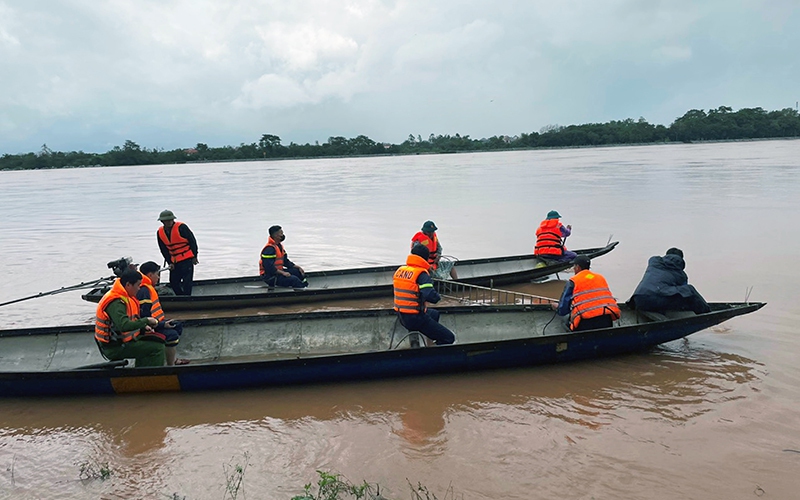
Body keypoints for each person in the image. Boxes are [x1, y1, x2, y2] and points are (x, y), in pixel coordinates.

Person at [94, 269, 166, 367]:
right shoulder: (116, 302)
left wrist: (143, 326)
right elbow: (123, 325)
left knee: (155, 341)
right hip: (114, 347)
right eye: (137, 285)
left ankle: (141, 374)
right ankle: (152, 378)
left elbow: (131, 319)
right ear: (128, 285)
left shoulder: (125, 296)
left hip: (125, 340)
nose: (139, 288)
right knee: (157, 348)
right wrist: (146, 320)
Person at [393, 244, 456, 345]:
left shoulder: (400, 270)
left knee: (434, 314)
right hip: (416, 318)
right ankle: (432, 355)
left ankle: (429, 342)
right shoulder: (421, 274)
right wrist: (438, 297)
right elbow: (430, 296)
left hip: (401, 316)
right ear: (425, 259)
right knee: (449, 338)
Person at [627, 248, 711, 314]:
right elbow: (685, 295)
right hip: (653, 300)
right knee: (690, 290)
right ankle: (707, 312)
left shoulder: (653, 264)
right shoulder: (681, 275)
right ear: (681, 260)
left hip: (637, 300)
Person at [137, 261, 190, 366]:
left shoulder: (148, 287)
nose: (158, 278)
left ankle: (173, 358)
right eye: (157, 275)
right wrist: (162, 325)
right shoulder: (144, 290)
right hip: (148, 327)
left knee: (177, 325)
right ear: (150, 275)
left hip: (156, 322)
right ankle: (171, 365)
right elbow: (144, 317)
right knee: (172, 335)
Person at [554, 255, 620, 331]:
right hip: (606, 321)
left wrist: (557, 307)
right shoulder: (600, 278)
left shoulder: (573, 281)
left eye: (574, 267)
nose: (574, 269)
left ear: (578, 267)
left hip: (585, 323)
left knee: (563, 320)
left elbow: (563, 309)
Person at [157, 209, 198, 296]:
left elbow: (192, 241)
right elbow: (163, 249)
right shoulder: (160, 232)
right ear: (162, 221)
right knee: (173, 282)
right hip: (174, 261)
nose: (169, 222)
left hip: (187, 259)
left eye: (170, 220)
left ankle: (187, 298)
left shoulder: (182, 227)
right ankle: (180, 297)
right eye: (166, 221)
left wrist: (195, 256)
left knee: (187, 282)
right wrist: (170, 262)